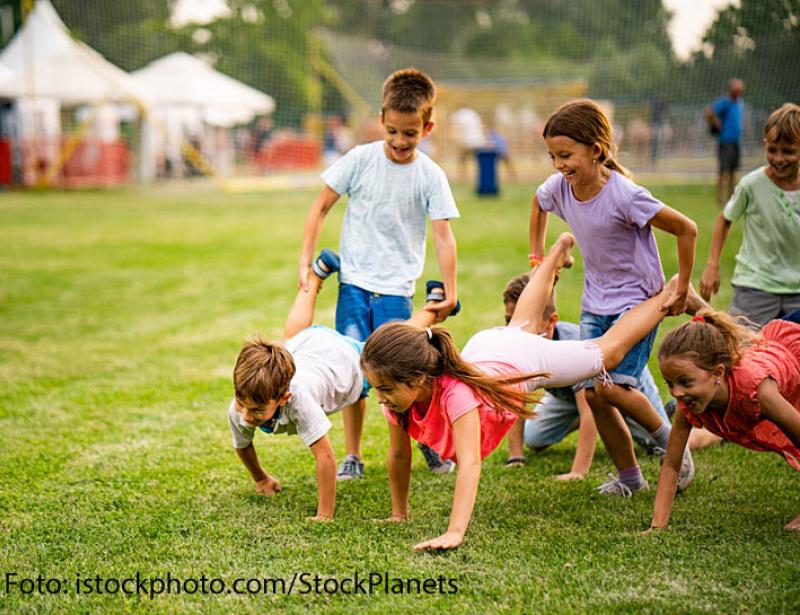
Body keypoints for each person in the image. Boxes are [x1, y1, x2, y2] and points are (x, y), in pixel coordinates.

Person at [362, 233, 688, 552]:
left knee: (609, 352)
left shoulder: (456, 394)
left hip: (519, 360)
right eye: (377, 388)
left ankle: (666, 296)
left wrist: (455, 531)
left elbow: (470, 463)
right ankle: (557, 252)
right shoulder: (397, 402)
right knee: (523, 323)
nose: (380, 398)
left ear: (418, 378)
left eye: (386, 388)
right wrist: (399, 514)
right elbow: (399, 455)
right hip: (489, 347)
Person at [529, 99, 698, 497]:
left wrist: (683, 287)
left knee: (612, 388)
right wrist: (537, 257)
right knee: (593, 395)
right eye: (552, 156)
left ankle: (673, 447)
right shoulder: (560, 188)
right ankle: (630, 479)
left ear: (596, 150)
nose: (558, 165)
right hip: (595, 304)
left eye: (566, 155)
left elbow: (687, 229)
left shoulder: (625, 195)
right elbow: (538, 203)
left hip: (638, 302)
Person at [298, 68, 460, 480]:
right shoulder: (359, 160)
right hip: (353, 285)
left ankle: (420, 442)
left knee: (403, 373)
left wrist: (451, 289)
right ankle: (353, 455)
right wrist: (304, 261)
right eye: (392, 131)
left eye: (410, 134)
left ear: (428, 127)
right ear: (381, 119)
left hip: (396, 291)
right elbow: (319, 207)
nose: (400, 141)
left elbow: (443, 236)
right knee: (353, 370)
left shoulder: (430, 175)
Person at [228, 249, 457, 520]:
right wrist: (261, 478)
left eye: (256, 411)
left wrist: (324, 515)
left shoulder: (300, 399)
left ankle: (434, 305)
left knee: (390, 351)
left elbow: (325, 456)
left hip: (343, 360)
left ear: (284, 398)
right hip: (307, 346)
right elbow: (243, 444)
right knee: (289, 338)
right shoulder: (243, 401)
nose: (245, 415)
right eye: (242, 404)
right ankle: (316, 275)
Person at [500, 273, 673, 476]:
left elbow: (589, 411)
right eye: (509, 320)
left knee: (659, 444)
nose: (515, 329)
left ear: (551, 321)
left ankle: (699, 432)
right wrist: (516, 456)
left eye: (524, 322)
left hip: (619, 384)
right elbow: (516, 399)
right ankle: (611, 418)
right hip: (570, 398)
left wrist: (577, 472)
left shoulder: (572, 347)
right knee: (534, 438)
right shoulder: (517, 346)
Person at [649, 310, 800, 533]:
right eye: (670, 384)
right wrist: (657, 527)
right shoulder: (687, 403)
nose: (676, 393)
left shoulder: (758, 392)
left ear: (718, 373)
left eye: (685, 382)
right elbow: (672, 464)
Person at [700, 103, 800, 326]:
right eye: (772, 150)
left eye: (788, 151)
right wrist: (712, 265)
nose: (779, 159)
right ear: (765, 145)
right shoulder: (751, 185)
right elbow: (725, 220)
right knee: (743, 343)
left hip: (797, 290)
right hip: (755, 286)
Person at [704, 78, 745, 207]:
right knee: (723, 170)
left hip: (736, 141)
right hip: (725, 141)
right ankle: (720, 197)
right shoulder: (724, 102)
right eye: (736, 89)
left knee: (733, 170)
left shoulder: (740, 103)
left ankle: (730, 196)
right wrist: (716, 123)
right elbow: (709, 112)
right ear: (731, 90)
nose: (738, 91)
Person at [450, 106, 486, 183]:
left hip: (466, 142)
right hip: (479, 141)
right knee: (478, 162)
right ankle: (479, 179)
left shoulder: (458, 115)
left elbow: (454, 129)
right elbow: (481, 127)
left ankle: (463, 178)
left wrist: (456, 140)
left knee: (462, 160)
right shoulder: (473, 113)